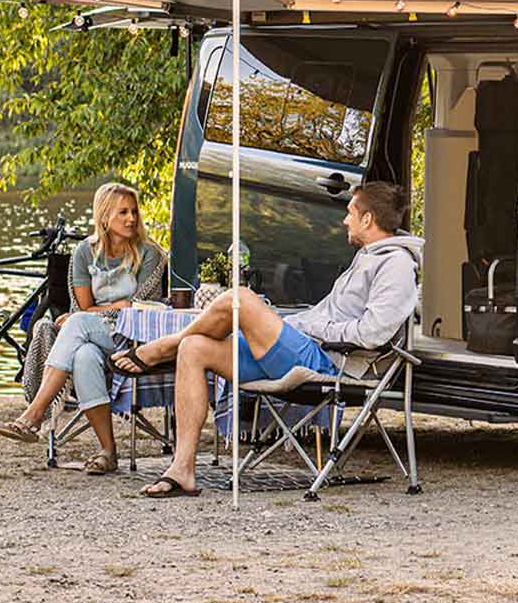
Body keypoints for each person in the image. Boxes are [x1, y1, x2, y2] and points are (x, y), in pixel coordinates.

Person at [128, 181, 421, 498]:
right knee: (194, 347)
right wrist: (289, 323)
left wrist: (317, 327)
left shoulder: (396, 265)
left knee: (238, 297)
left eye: (350, 212)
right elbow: (323, 315)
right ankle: (182, 469)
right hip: (307, 347)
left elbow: (372, 333)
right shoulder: (366, 257)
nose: (344, 221)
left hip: (333, 363)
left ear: (367, 219)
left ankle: (161, 347)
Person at [0, 181, 167, 473]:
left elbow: (138, 307)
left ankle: (34, 415)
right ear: (103, 217)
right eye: (123, 212)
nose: (132, 219)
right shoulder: (84, 253)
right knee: (84, 355)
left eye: (134, 212)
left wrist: (94, 314)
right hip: (94, 334)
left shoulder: (150, 253)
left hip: (134, 338)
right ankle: (108, 453)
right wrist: (102, 311)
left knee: (76, 324)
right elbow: (83, 307)